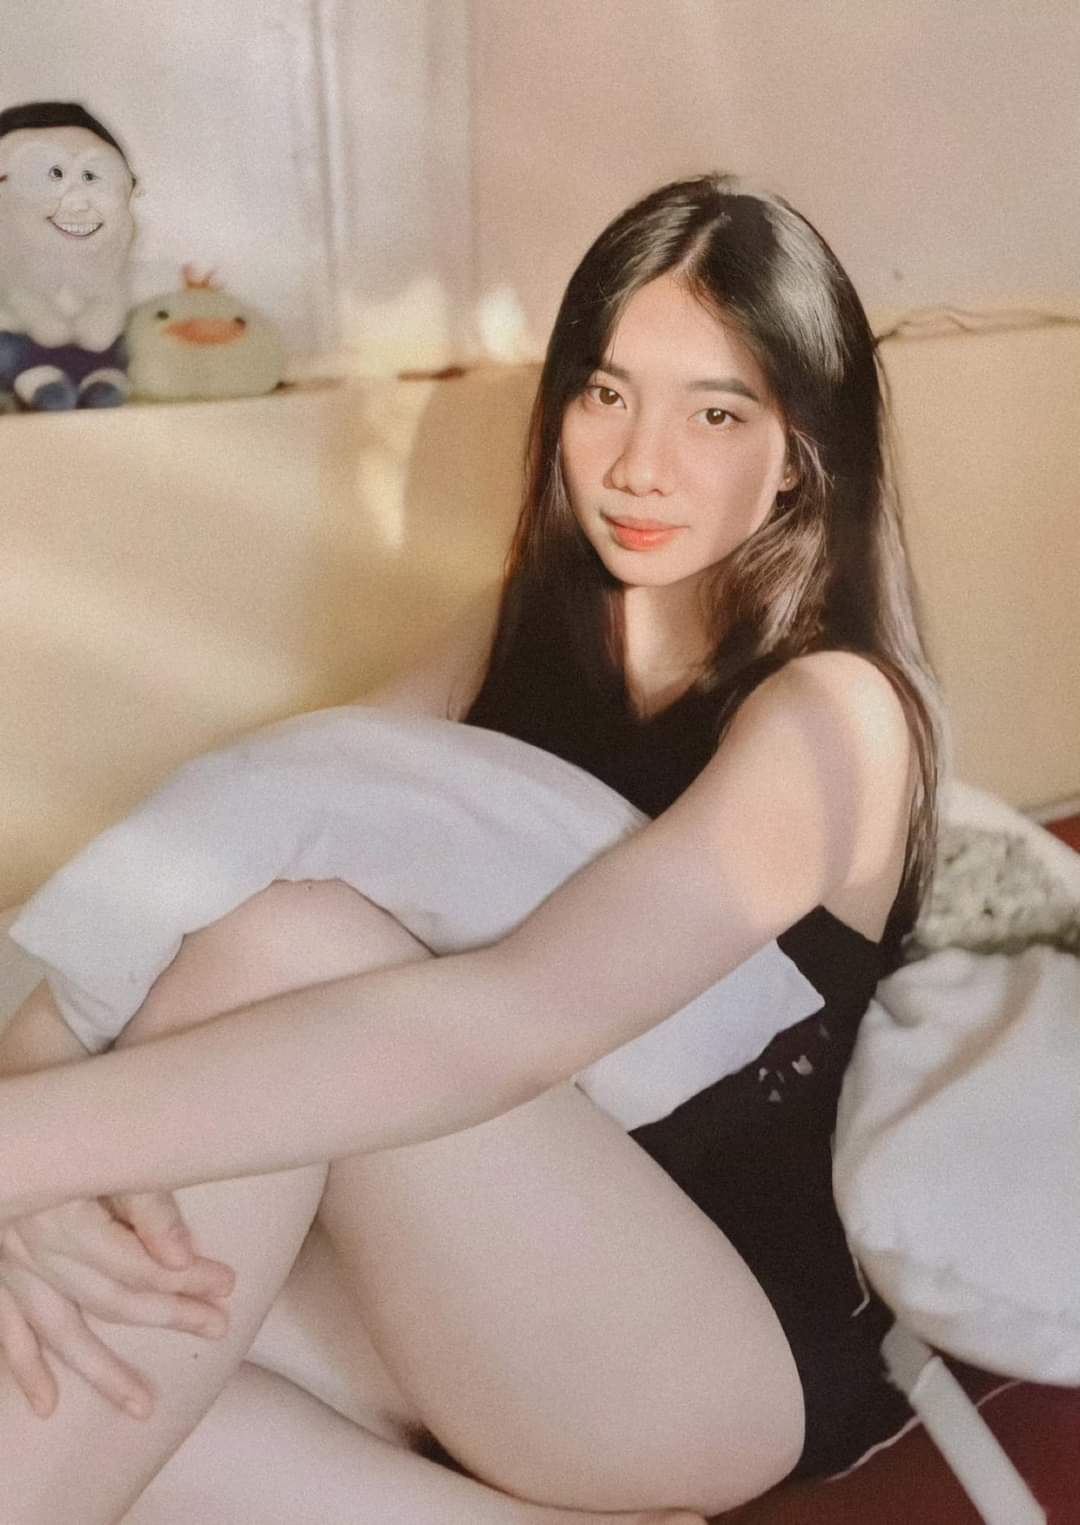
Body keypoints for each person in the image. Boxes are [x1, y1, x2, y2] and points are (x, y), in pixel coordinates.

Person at [0, 173, 939, 1524]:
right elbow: (245, 828)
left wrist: (27, 1145)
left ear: (799, 451)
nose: (639, 463)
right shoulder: (514, 632)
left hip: (713, 1350)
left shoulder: (833, 715)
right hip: (474, 1291)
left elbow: (509, 1026)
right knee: (67, 1325)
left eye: (715, 412)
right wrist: (39, 1115)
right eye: (606, 393)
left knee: (295, 939)